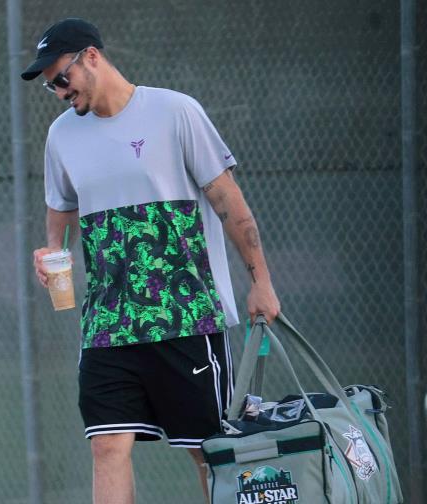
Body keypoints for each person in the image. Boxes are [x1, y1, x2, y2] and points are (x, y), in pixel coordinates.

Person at [22, 18, 281, 504]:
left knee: (211, 452)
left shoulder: (175, 111)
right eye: (50, 85)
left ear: (92, 57)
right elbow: (59, 215)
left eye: (61, 78)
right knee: (107, 445)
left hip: (187, 320)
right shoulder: (61, 136)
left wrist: (261, 282)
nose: (57, 92)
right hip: (108, 325)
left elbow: (231, 203)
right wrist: (50, 255)